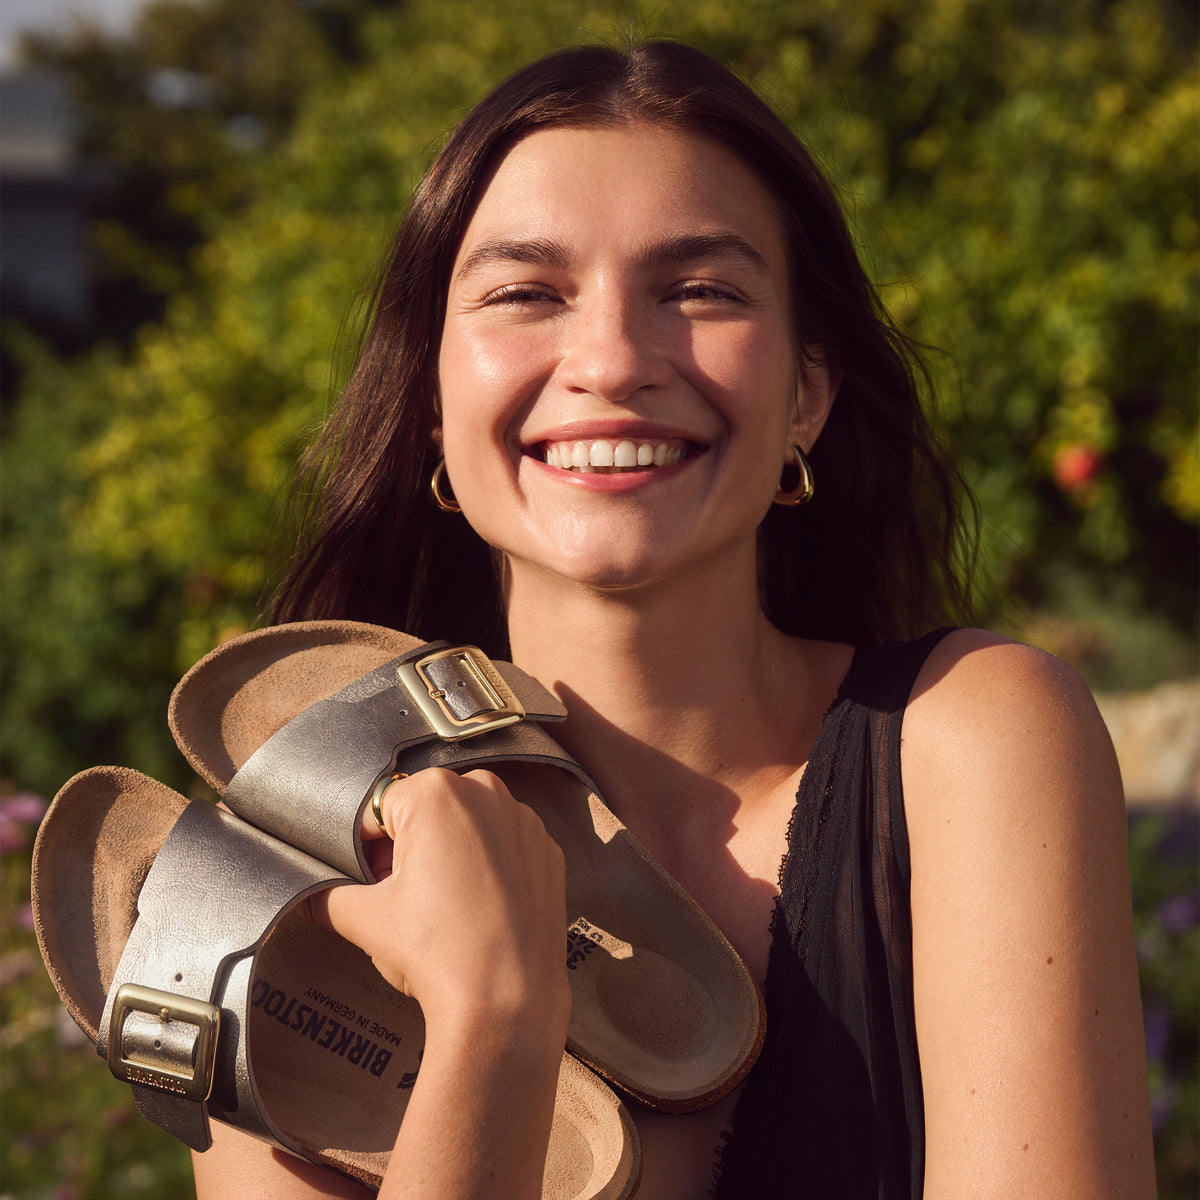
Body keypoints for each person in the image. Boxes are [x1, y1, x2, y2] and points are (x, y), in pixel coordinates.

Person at [191, 40, 1156, 1199]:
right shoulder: (289, 869)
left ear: (805, 394)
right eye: (524, 294)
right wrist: (492, 1024)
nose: (609, 360)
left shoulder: (975, 742)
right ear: (430, 410)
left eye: (700, 290)